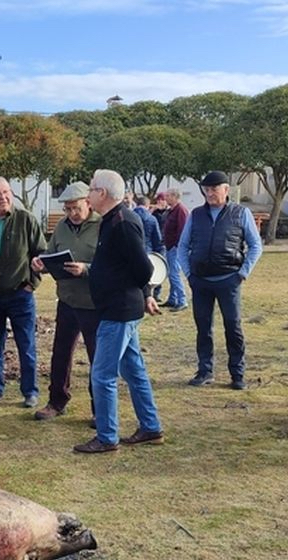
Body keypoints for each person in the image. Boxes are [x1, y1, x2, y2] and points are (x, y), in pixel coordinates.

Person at [73, 169, 163, 454]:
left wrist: (140, 293)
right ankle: (150, 426)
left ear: (102, 193)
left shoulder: (122, 222)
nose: (87, 194)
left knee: (102, 375)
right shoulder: (112, 220)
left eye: (91, 189)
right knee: (133, 370)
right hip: (118, 307)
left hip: (119, 310)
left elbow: (145, 268)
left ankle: (107, 436)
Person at [177, 170, 263, 390]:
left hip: (229, 279)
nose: (210, 193)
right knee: (203, 327)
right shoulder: (195, 215)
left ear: (226, 190)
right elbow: (182, 246)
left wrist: (242, 273)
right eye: (206, 190)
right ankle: (205, 370)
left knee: (232, 326)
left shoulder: (240, 213)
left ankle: (237, 374)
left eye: (214, 189)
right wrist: (189, 274)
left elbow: (255, 246)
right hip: (201, 281)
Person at [30, 181, 102, 422]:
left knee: (97, 357)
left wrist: (87, 269)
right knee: (60, 353)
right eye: (67, 209)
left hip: (94, 303)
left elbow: (112, 265)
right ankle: (57, 401)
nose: (71, 213)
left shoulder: (103, 225)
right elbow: (52, 254)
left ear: (88, 203)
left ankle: (99, 409)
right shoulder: (61, 227)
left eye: (75, 208)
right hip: (68, 300)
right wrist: (42, 264)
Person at [0, 177, 46, 408]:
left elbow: (41, 255)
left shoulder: (26, 219)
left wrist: (32, 284)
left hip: (20, 295)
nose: (3, 197)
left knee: (26, 345)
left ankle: (30, 391)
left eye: (6, 192)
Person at [160, 188, 189, 311]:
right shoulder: (172, 210)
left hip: (175, 248)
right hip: (170, 246)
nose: (165, 198)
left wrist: (177, 246)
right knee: (171, 273)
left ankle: (182, 300)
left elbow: (183, 230)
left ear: (174, 196)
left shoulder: (181, 211)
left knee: (174, 274)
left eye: (167, 196)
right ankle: (173, 299)